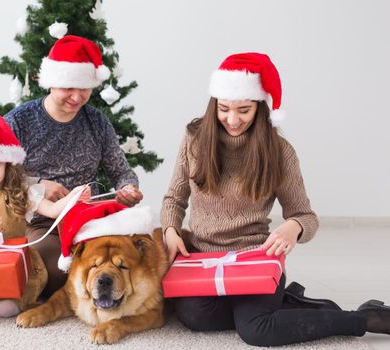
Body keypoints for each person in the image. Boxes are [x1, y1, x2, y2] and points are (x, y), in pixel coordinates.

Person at [161, 52, 390, 346]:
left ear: (260, 107)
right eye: (224, 108)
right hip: (203, 257)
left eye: (244, 110)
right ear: (214, 104)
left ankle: (365, 318)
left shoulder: (279, 151)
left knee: (257, 330)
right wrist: (170, 230)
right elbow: (174, 198)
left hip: (254, 258)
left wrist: (293, 227)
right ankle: (287, 300)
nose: (232, 119)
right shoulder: (194, 138)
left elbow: (306, 217)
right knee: (195, 317)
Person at [5, 35, 143, 297]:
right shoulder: (19, 122)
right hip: (39, 220)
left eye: (84, 88)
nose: (77, 96)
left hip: (86, 219)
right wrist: (38, 185)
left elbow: (121, 171)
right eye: (68, 87)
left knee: (126, 260)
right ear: (51, 82)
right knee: (56, 270)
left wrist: (128, 188)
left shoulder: (97, 122)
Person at [0, 113, 89, 318]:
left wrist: (74, 195)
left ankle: (2, 297)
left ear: (7, 164)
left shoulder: (21, 191)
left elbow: (53, 210)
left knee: (6, 309)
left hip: (13, 262)